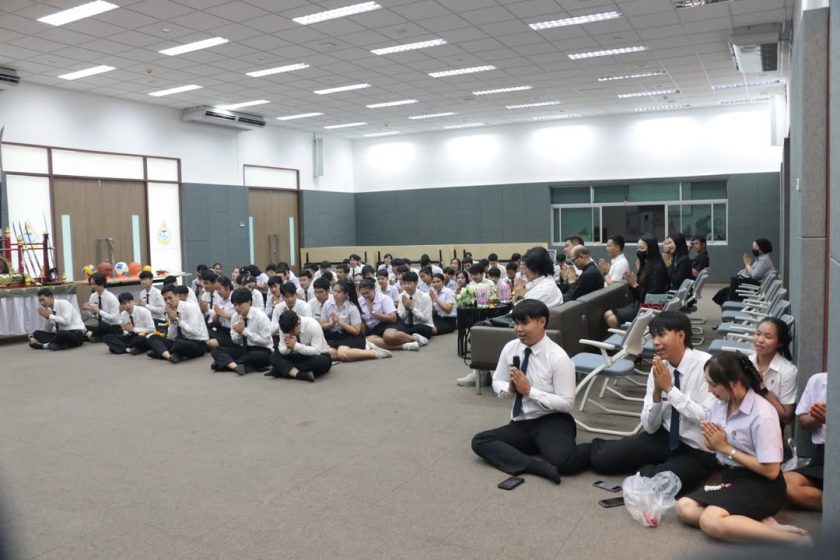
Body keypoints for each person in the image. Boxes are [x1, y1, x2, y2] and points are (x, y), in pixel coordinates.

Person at [675, 352, 810, 545]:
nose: (709, 390)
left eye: (713, 384)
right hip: (732, 478)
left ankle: (791, 540)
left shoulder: (762, 414)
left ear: (733, 383)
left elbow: (771, 471)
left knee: (710, 520)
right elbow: (714, 447)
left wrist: (726, 448)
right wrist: (712, 441)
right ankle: (760, 524)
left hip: (763, 484)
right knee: (684, 507)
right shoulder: (720, 405)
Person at [589, 311, 717, 492]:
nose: (655, 342)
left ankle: (653, 468)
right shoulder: (659, 367)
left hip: (697, 448)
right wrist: (657, 393)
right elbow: (649, 428)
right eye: (653, 336)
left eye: (661, 335)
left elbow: (707, 417)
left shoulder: (707, 367)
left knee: (660, 485)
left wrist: (670, 390)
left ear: (681, 335)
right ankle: (611, 449)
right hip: (664, 437)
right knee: (602, 460)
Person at [471, 300, 590, 483]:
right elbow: (498, 380)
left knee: (565, 463)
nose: (519, 329)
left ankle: (595, 448)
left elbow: (567, 403)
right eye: (516, 323)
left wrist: (530, 391)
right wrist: (509, 389)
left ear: (542, 321)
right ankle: (534, 465)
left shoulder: (558, 357)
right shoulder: (511, 348)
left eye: (525, 323)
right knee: (480, 441)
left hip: (552, 419)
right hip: (521, 422)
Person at [604, 234, 669, 329]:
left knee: (611, 320)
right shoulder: (646, 265)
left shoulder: (657, 269)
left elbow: (652, 298)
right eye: (638, 247)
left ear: (651, 249)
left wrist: (634, 284)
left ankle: (629, 337)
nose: (639, 251)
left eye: (642, 248)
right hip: (640, 304)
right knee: (607, 314)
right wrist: (633, 281)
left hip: (650, 308)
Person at [784, 372, 827, 511]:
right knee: (787, 484)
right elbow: (803, 421)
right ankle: (832, 502)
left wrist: (832, 418)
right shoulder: (818, 380)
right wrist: (818, 418)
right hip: (823, 456)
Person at [321, 280, 389, 362]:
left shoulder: (352, 307)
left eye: (338, 292)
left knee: (342, 354)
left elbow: (356, 331)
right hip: (333, 336)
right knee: (329, 353)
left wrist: (341, 323)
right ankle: (358, 351)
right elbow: (323, 325)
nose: (335, 294)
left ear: (346, 294)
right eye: (334, 291)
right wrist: (331, 324)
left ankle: (374, 353)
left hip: (349, 336)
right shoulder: (327, 304)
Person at [366, 271, 434, 352]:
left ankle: (404, 339)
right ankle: (412, 340)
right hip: (407, 326)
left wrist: (412, 309)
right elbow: (401, 317)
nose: (406, 286)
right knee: (391, 333)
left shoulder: (425, 297)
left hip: (422, 325)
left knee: (422, 329)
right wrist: (406, 309)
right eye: (404, 283)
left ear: (416, 283)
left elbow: (426, 320)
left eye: (409, 283)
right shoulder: (402, 296)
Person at [210, 288, 273, 375]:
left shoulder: (260, 316)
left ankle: (226, 363)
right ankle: (236, 367)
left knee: (253, 356)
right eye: (235, 305)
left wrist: (244, 331)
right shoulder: (235, 317)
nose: (237, 308)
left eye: (239, 304)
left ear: (249, 302)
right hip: (243, 349)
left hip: (261, 349)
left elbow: (265, 341)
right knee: (216, 350)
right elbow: (235, 341)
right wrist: (239, 333)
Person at [749, 318, 797, 427]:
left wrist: (762, 387)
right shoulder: (746, 363)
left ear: (780, 343)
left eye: (768, 337)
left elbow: (787, 417)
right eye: (758, 334)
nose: (760, 340)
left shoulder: (787, 371)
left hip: (771, 426)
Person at [146, 285, 208, 363]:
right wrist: (172, 321)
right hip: (181, 340)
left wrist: (177, 319)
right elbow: (171, 336)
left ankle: (162, 352)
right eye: (165, 299)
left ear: (177, 296)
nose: (168, 302)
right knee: (152, 337)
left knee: (179, 344)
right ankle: (169, 356)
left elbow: (194, 332)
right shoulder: (171, 309)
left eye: (170, 298)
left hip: (197, 343)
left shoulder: (191, 307)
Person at [267, 310, 333, 382]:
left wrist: (295, 346)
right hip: (296, 356)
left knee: (322, 361)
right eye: (288, 332)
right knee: (274, 356)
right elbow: (281, 349)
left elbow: (317, 351)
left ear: (298, 323)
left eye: (292, 331)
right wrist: (289, 347)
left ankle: (281, 370)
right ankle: (300, 375)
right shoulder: (283, 327)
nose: (290, 334)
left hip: (316, 356)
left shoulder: (313, 325)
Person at [713, 239, 776, 306]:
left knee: (724, 294)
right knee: (723, 293)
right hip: (752, 286)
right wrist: (747, 266)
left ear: (761, 249)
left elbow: (755, 275)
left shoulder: (764, 261)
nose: (753, 250)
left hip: (754, 287)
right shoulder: (760, 259)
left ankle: (729, 308)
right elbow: (750, 271)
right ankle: (727, 309)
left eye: (755, 248)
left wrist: (747, 265)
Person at [82, 272, 122, 340]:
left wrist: (99, 311)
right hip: (100, 325)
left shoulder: (111, 298)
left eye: (94, 284)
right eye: (91, 284)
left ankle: (92, 335)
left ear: (102, 283)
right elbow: (92, 315)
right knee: (81, 326)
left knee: (103, 326)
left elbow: (115, 318)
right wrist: (86, 310)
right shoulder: (93, 296)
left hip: (113, 326)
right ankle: (95, 336)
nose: (92, 286)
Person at [205, 276, 234, 349]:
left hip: (231, 332)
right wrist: (217, 315)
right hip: (220, 329)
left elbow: (240, 316)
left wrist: (223, 314)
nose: (218, 292)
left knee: (211, 343)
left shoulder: (235, 297)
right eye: (216, 290)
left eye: (219, 289)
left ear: (227, 287)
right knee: (201, 335)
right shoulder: (219, 299)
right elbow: (215, 321)